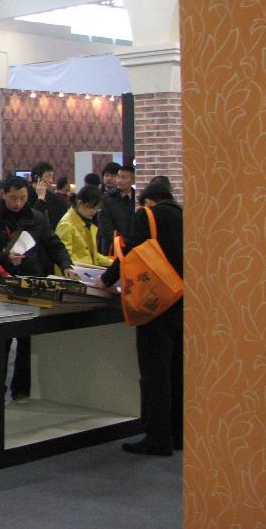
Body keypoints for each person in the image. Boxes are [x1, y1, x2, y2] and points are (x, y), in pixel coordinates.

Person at [100, 181, 183, 456]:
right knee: (177, 371)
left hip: (155, 304)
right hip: (182, 301)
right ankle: (178, 434)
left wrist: (106, 279)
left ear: (147, 201)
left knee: (154, 372)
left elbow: (131, 251)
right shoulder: (185, 216)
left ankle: (158, 437)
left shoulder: (146, 215)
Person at [0, 175, 79, 401]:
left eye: (23, 198)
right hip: (0, 283)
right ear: (4, 194)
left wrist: (66, 265)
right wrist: (4, 257)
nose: (18, 203)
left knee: (27, 340)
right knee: (1, 340)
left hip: (30, 281)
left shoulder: (35, 217)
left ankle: (22, 390)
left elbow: (54, 244)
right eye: (13, 198)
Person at [54, 186, 113, 269]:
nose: (94, 212)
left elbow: (93, 255)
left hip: (85, 271)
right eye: (91, 207)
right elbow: (64, 259)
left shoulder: (85, 222)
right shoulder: (66, 225)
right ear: (79, 203)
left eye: (96, 208)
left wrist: (114, 263)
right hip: (74, 274)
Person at [97, 163, 136, 254]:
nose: (119, 180)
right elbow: (105, 227)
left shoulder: (137, 198)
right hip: (112, 248)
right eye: (118, 177)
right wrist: (120, 241)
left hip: (133, 248)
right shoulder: (106, 199)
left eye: (123, 178)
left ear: (133, 180)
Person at [30, 161, 68, 230]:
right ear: (36, 177)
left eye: (51, 177)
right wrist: (40, 199)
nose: (51, 181)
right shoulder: (24, 195)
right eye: (48, 177)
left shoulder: (56, 199)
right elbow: (32, 221)